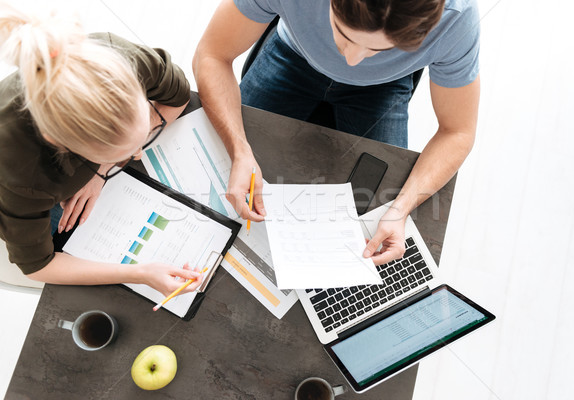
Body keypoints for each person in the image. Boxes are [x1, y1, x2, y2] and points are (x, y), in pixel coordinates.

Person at [193, 0, 480, 265]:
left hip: (382, 88)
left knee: (373, 213)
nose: (353, 60)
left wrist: (399, 209)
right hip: (292, 55)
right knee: (218, 177)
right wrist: (239, 150)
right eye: (344, 33)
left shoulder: (456, 19)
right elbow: (212, 55)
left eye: (378, 49)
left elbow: (457, 132)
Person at [0, 4, 203, 296]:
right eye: (118, 154)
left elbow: (178, 96)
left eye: (146, 132)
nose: (137, 155)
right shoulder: (20, 176)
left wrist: (102, 169)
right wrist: (140, 273)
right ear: (62, 145)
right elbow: (37, 267)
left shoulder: (123, 59)